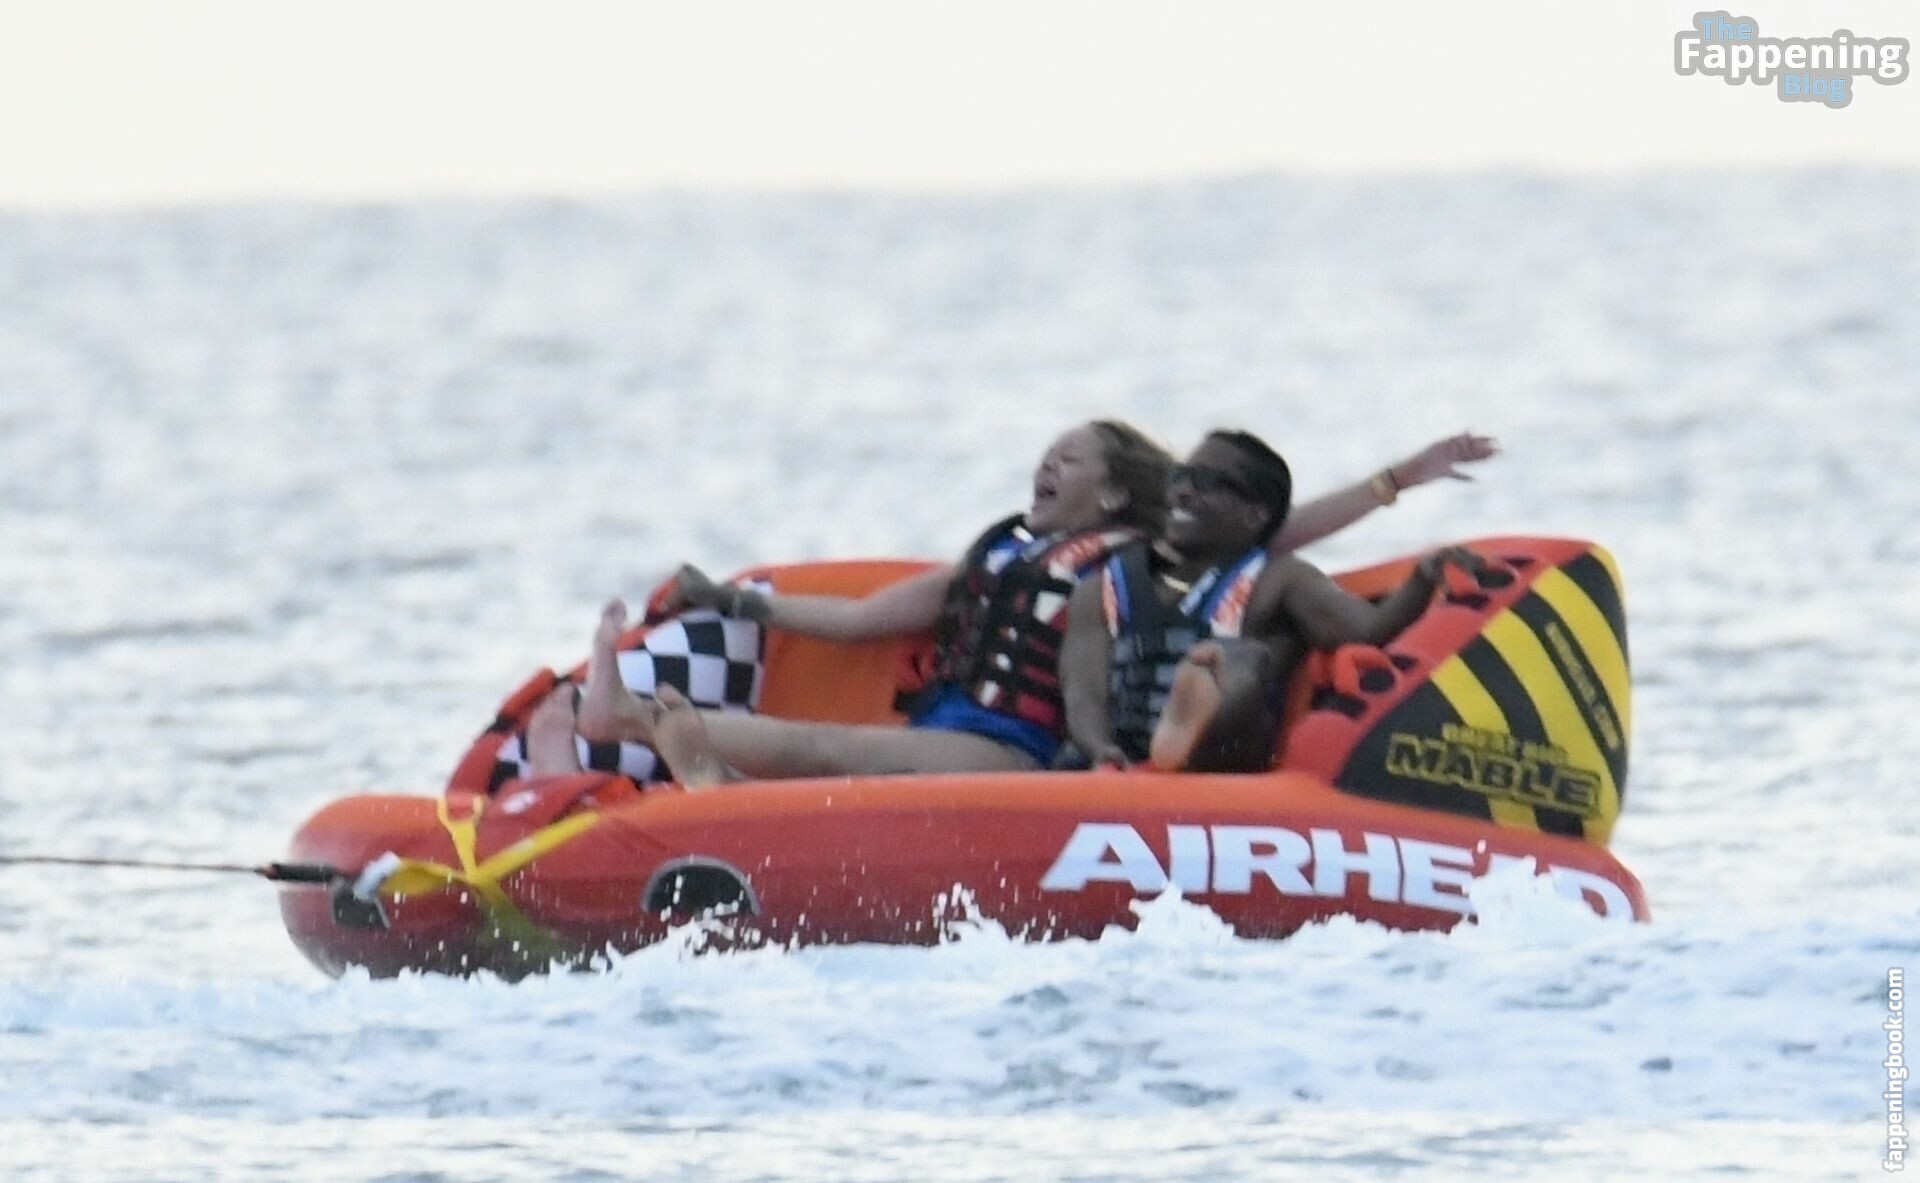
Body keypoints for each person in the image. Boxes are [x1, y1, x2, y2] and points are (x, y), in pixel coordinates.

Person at [525, 424, 1494, 786]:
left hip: (1018, 744)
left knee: (837, 750)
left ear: (1113, 491)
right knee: (839, 753)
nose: (1046, 466)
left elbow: (1273, 532)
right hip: (946, 723)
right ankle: (663, 750)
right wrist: (733, 600)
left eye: (1069, 458)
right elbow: (862, 618)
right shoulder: (997, 554)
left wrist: (1393, 481)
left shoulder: (1133, 553)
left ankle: (652, 734)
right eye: (1045, 456)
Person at [1059, 429, 1480, 773]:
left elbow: (1367, 631)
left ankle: (1188, 728)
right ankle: (1158, 744)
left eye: (1207, 483)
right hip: (1117, 766)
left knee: (1239, 658)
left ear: (1255, 515)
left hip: (1217, 768)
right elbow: (1083, 690)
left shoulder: (1279, 579)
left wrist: (1423, 579)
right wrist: (1099, 749)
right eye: (1180, 478)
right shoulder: (1102, 588)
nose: (1183, 492)